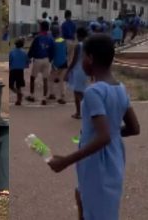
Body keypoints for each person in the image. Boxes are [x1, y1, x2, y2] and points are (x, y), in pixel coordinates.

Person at [48, 34, 140, 220]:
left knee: (99, 210)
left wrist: (65, 161)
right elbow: (133, 128)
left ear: (89, 58)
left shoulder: (93, 92)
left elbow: (104, 136)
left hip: (98, 164)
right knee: (84, 197)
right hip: (113, 159)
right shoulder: (120, 88)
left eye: (82, 58)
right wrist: (112, 131)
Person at [27, 21, 55, 105]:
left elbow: (32, 49)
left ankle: (32, 96)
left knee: (32, 78)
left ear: (41, 28)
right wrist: (50, 59)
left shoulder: (37, 38)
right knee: (45, 79)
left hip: (38, 60)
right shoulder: (51, 38)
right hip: (46, 60)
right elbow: (53, 50)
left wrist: (29, 57)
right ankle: (44, 98)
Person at [65, 27, 89, 119]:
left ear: (78, 35)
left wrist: (68, 70)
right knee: (82, 92)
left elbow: (74, 60)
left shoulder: (79, 46)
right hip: (85, 69)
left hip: (78, 69)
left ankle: (79, 112)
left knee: (77, 93)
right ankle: (83, 111)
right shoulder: (88, 45)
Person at [48, 27, 67, 105]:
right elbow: (65, 52)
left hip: (56, 63)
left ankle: (52, 94)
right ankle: (62, 97)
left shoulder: (53, 41)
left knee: (51, 79)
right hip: (64, 63)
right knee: (62, 81)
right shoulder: (63, 41)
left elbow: (52, 53)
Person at [9, 38, 30, 105]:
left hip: (13, 70)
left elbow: (10, 61)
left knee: (11, 85)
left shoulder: (12, 52)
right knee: (19, 85)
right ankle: (19, 100)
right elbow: (28, 61)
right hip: (20, 70)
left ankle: (19, 94)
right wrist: (25, 65)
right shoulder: (24, 52)